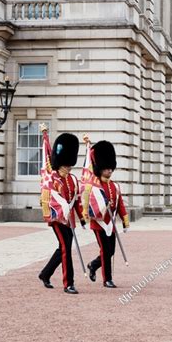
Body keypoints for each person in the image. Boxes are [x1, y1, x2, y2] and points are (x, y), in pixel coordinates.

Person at [38, 124, 85, 294]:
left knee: (63, 247)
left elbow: (77, 200)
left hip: (69, 218)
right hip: (57, 217)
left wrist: (82, 218)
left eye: (69, 164)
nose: (68, 167)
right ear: (60, 163)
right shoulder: (53, 178)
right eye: (66, 164)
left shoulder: (72, 179)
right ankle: (68, 283)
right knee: (65, 247)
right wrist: (45, 136)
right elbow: (52, 197)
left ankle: (45, 274)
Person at [81, 136, 129, 289]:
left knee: (111, 251)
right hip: (99, 223)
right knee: (106, 250)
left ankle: (93, 265)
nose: (109, 170)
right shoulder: (94, 186)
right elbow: (90, 203)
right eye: (106, 168)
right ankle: (107, 279)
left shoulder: (115, 186)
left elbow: (120, 205)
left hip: (111, 224)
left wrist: (125, 221)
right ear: (100, 168)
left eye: (110, 168)